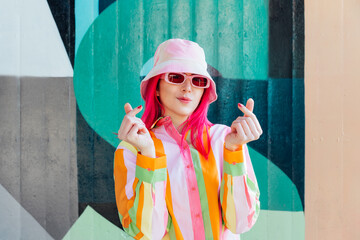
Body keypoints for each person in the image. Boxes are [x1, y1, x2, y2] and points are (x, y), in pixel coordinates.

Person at [114, 39, 262, 240]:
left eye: (198, 80)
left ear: (204, 91)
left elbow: (241, 223)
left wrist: (234, 151)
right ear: (156, 87)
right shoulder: (132, 150)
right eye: (176, 77)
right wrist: (148, 155)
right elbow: (148, 233)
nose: (187, 88)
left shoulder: (226, 140)